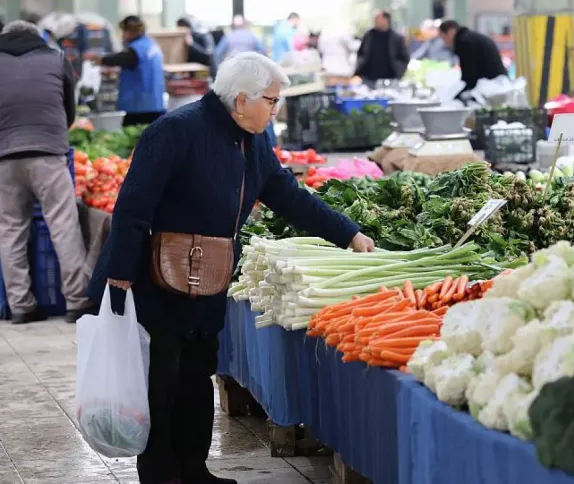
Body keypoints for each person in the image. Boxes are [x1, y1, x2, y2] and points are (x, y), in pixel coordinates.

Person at [88, 52, 374, 484]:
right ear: (241, 100)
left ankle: (194, 468)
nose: (276, 110)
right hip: (155, 276)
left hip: (210, 276)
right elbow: (133, 206)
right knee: (160, 378)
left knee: (198, 373)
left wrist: (349, 234)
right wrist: (121, 276)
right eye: (272, 101)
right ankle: (161, 473)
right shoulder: (175, 131)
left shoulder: (252, 141)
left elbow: (288, 195)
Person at [0, 21, 94, 325]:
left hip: (5, 157)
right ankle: (76, 301)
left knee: (11, 229)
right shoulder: (56, 58)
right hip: (49, 154)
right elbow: (69, 107)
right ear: (36, 36)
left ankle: (21, 306)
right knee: (63, 225)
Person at [83, 15, 165, 126]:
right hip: (155, 103)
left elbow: (118, 59)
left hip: (139, 106)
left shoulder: (136, 49)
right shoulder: (151, 45)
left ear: (130, 31)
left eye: (124, 31)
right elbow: (140, 68)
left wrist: (97, 58)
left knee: (135, 138)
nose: (123, 35)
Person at [438, 19, 507, 93]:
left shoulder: (463, 41)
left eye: (444, 37)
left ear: (450, 31)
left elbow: (469, 73)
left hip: (491, 85)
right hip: (498, 81)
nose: (444, 41)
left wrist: (461, 92)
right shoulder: (469, 37)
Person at [354, 10, 410, 84]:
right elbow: (361, 53)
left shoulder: (397, 38)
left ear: (385, 20)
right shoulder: (368, 35)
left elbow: (405, 57)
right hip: (367, 78)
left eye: (377, 18)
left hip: (390, 79)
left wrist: (399, 71)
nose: (375, 20)